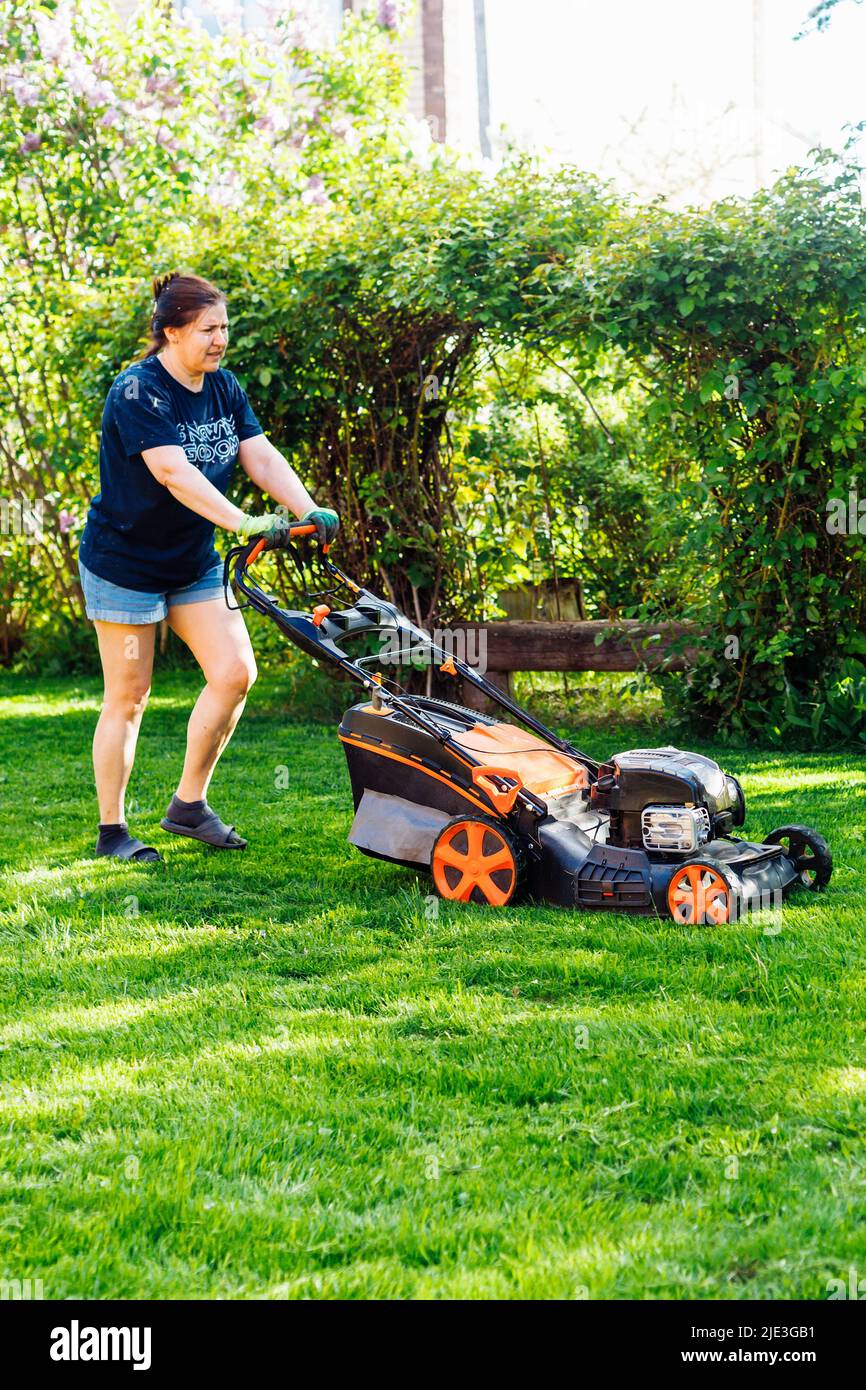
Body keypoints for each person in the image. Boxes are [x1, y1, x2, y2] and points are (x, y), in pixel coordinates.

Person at [77, 271, 338, 861]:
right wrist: (244, 523)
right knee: (130, 694)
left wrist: (307, 508)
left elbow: (260, 455)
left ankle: (188, 807)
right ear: (171, 332)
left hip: (190, 563)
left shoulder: (223, 387)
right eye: (207, 329)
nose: (220, 340)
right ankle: (112, 832)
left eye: (224, 327)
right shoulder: (138, 392)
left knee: (234, 674)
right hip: (125, 564)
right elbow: (173, 472)